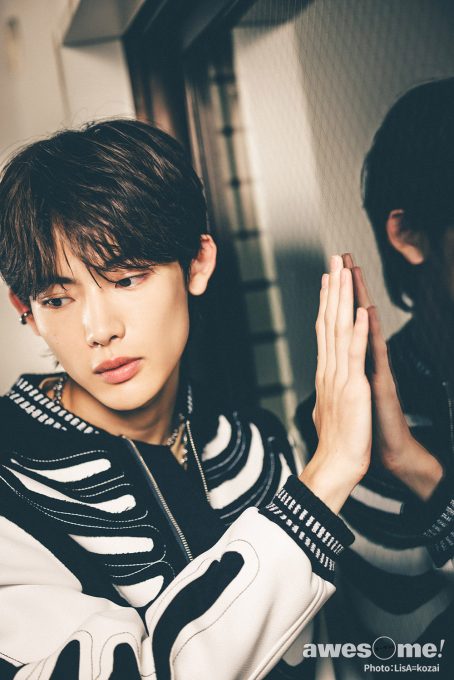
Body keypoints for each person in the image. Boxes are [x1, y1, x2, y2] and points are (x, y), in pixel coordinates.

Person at [0, 119, 372, 679]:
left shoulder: (258, 442)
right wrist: (324, 482)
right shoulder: (9, 476)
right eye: (57, 299)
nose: (98, 330)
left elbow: (342, 654)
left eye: (126, 278)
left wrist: (401, 467)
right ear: (25, 309)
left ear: (197, 263)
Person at [297, 78, 454, 679]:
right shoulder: (347, 426)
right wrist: (398, 463)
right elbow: (395, 654)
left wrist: (421, 471)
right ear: (408, 234)